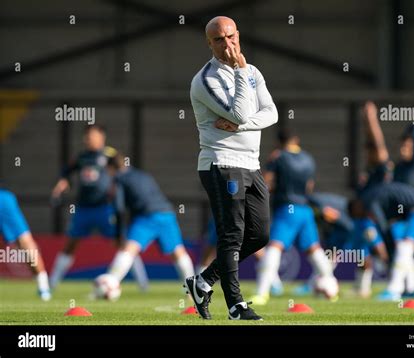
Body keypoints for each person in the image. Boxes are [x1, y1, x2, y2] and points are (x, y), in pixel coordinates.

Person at [186, 16, 278, 320]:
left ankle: (202, 281)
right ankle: (236, 305)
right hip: (221, 162)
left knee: (261, 235)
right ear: (208, 43)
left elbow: (271, 113)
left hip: (251, 164)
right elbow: (238, 110)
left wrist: (242, 126)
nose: (227, 44)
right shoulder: (206, 80)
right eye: (219, 40)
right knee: (232, 234)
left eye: (231, 36)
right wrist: (239, 71)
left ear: (238, 35)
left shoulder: (253, 71)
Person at [49, 125, 148, 290]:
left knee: (122, 244)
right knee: (71, 243)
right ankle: (52, 283)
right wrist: (62, 182)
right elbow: (66, 171)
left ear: (101, 137)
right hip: (83, 209)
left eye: (92, 136)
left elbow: (124, 170)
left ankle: (142, 283)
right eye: (86, 137)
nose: (89, 140)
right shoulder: (81, 157)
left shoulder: (110, 154)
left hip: (105, 208)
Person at [251, 130, 337, 305]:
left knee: (274, 247)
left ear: (279, 142)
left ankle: (262, 293)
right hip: (305, 210)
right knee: (314, 250)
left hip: (287, 209)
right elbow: (309, 187)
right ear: (296, 141)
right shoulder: (309, 159)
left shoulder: (279, 157)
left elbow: (266, 182)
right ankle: (331, 286)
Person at [103, 154, 194, 289]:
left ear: (111, 168)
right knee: (178, 252)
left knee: (128, 249)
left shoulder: (119, 179)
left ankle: (109, 284)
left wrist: (118, 234)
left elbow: (119, 208)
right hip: (166, 214)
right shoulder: (143, 174)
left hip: (146, 217)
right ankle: (192, 289)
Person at [349, 182, 414, 301]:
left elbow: (384, 228)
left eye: (358, 215)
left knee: (405, 247)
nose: (363, 217)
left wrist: (389, 252)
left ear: (357, 205)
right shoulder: (373, 196)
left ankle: (394, 290)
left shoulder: (369, 201)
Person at [0, 187, 51, 301]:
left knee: (24, 241)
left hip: (2, 200)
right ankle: (44, 289)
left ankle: (43, 287)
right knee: (24, 241)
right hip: (4, 199)